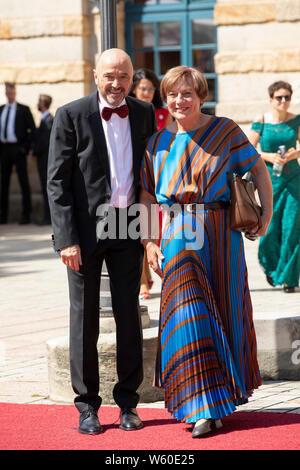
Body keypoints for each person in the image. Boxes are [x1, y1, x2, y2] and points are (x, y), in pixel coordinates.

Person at [139, 66, 273, 438]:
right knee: (188, 314)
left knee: (226, 311)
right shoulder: (156, 144)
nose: (179, 101)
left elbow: (258, 169)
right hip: (178, 233)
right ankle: (201, 405)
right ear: (165, 99)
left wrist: (266, 213)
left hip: (221, 235)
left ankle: (217, 404)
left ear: (201, 97)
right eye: (172, 95)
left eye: (187, 94)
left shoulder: (225, 130)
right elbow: (147, 197)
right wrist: (149, 241)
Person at [47, 49, 157, 435]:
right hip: (84, 232)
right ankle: (87, 406)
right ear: (95, 76)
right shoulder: (71, 114)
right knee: (84, 320)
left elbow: (150, 176)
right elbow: (57, 182)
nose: (116, 83)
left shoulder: (144, 113)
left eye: (123, 76)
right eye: (109, 76)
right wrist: (66, 240)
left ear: (131, 78)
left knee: (129, 315)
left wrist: (149, 234)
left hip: (126, 223)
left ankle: (128, 402)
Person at [249, 81, 300, 293]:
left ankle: (289, 277)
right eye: (279, 97)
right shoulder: (261, 121)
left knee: (292, 227)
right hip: (269, 180)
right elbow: (248, 150)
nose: (283, 101)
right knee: (269, 228)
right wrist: (269, 156)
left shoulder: (296, 121)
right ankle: (272, 268)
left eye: (287, 97)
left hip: (293, 179)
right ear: (271, 100)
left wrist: (294, 154)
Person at [130, 68, 171, 299]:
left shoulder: (164, 113)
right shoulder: (128, 113)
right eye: (142, 88)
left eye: (150, 89)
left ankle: (161, 270)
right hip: (133, 175)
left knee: (155, 226)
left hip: (158, 176)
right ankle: (143, 280)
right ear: (134, 90)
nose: (146, 92)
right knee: (138, 226)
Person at [0, 82, 36, 224]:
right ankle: (3, 216)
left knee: (23, 182)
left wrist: (25, 148)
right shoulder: (1, 110)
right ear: (5, 93)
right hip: (4, 150)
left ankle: (26, 215)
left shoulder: (23, 109)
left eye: (12, 92)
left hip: (18, 149)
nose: (10, 94)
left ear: (15, 92)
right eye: (8, 92)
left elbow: (32, 131)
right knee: (4, 183)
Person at [32, 94, 53, 225]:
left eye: (39, 102)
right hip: (42, 159)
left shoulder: (49, 120)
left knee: (47, 189)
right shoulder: (45, 119)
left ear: (43, 103)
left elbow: (44, 141)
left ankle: (48, 217)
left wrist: (35, 152)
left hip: (45, 160)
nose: (37, 104)